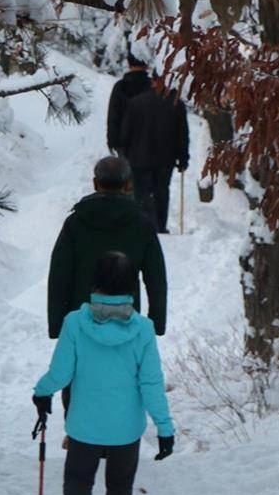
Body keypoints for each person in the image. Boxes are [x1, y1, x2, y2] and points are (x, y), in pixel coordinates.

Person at [32, 251, 175, 495]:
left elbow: (60, 373)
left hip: (84, 426)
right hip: (126, 430)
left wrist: (41, 393)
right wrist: (165, 429)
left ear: (94, 283)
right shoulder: (143, 329)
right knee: (120, 488)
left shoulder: (75, 323)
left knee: (78, 478)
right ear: (131, 286)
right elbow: (151, 383)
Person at [47, 156, 167, 341]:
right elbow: (156, 279)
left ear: (95, 183)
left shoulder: (75, 223)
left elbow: (59, 276)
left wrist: (57, 326)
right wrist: (156, 324)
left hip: (81, 321)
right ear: (128, 185)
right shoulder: (142, 225)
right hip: (126, 322)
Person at [119, 80, 191, 234]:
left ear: (152, 82)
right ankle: (159, 226)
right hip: (165, 158)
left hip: (138, 157)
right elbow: (182, 134)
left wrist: (126, 152)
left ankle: (142, 226)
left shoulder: (136, 102)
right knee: (162, 192)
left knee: (141, 193)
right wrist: (183, 157)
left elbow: (125, 132)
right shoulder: (176, 103)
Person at [105, 53, 152, 154]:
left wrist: (112, 141)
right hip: (150, 142)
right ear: (146, 65)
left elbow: (114, 115)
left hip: (125, 142)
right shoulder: (153, 87)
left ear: (129, 64)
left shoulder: (120, 86)